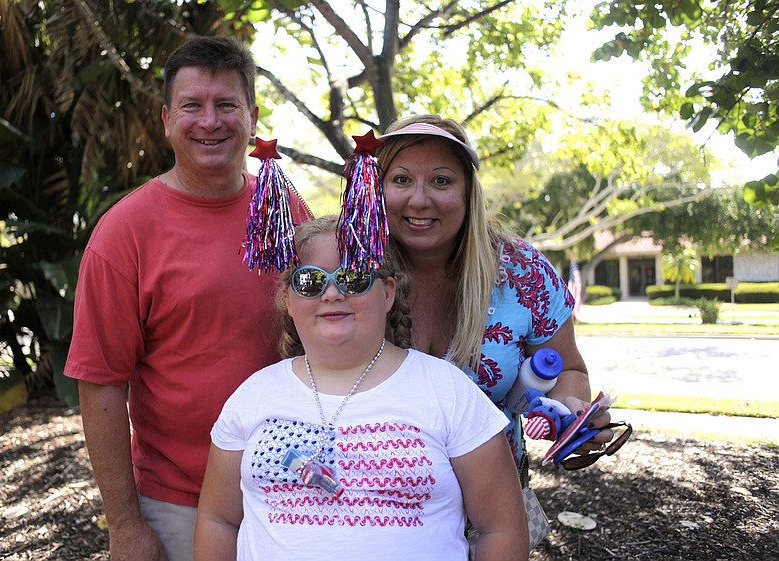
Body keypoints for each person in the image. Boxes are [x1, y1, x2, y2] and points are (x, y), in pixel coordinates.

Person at [64, 36, 311, 561]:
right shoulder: (124, 233)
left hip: (296, 487)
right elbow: (101, 384)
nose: (210, 121)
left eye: (226, 105)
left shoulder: (284, 206)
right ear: (166, 119)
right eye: (191, 106)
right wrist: (125, 525)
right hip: (181, 501)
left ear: (252, 115)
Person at [194, 216, 529, 561]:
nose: (333, 293)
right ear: (288, 299)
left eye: (353, 278)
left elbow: (501, 527)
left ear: (387, 292)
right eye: (310, 281)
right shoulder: (253, 397)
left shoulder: (447, 390)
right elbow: (218, 520)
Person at [375, 115, 613, 483]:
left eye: (441, 180)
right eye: (401, 179)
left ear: (469, 192)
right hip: (370, 508)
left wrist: (569, 410)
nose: (419, 200)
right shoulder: (346, 267)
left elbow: (568, 368)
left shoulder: (523, 270)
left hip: (494, 507)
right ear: (375, 188)